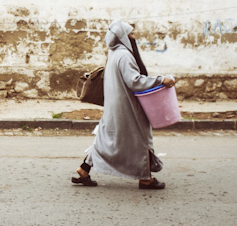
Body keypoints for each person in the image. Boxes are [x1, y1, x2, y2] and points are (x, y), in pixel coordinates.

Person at [71, 19, 176, 189]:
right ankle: (145, 179)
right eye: (131, 34)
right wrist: (160, 80)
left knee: (105, 138)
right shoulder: (125, 55)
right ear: (123, 37)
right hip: (127, 107)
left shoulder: (114, 53)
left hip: (114, 105)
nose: (134, 37)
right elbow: (134, 81)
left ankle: (84, 169)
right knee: (141, 138)